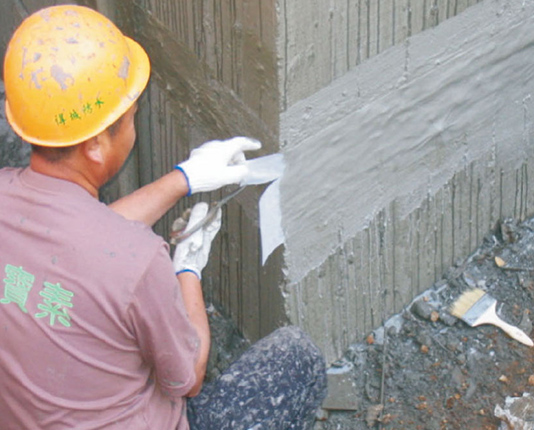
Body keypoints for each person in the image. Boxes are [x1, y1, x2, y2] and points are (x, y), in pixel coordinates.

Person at [0, 5, 326, 430]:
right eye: (131, 117)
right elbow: (187, 377)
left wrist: (184, 179)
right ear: (97, 144)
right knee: (297, 359)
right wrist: (187, 268)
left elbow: (77, 246)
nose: (134, 125)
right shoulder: (137, 262)